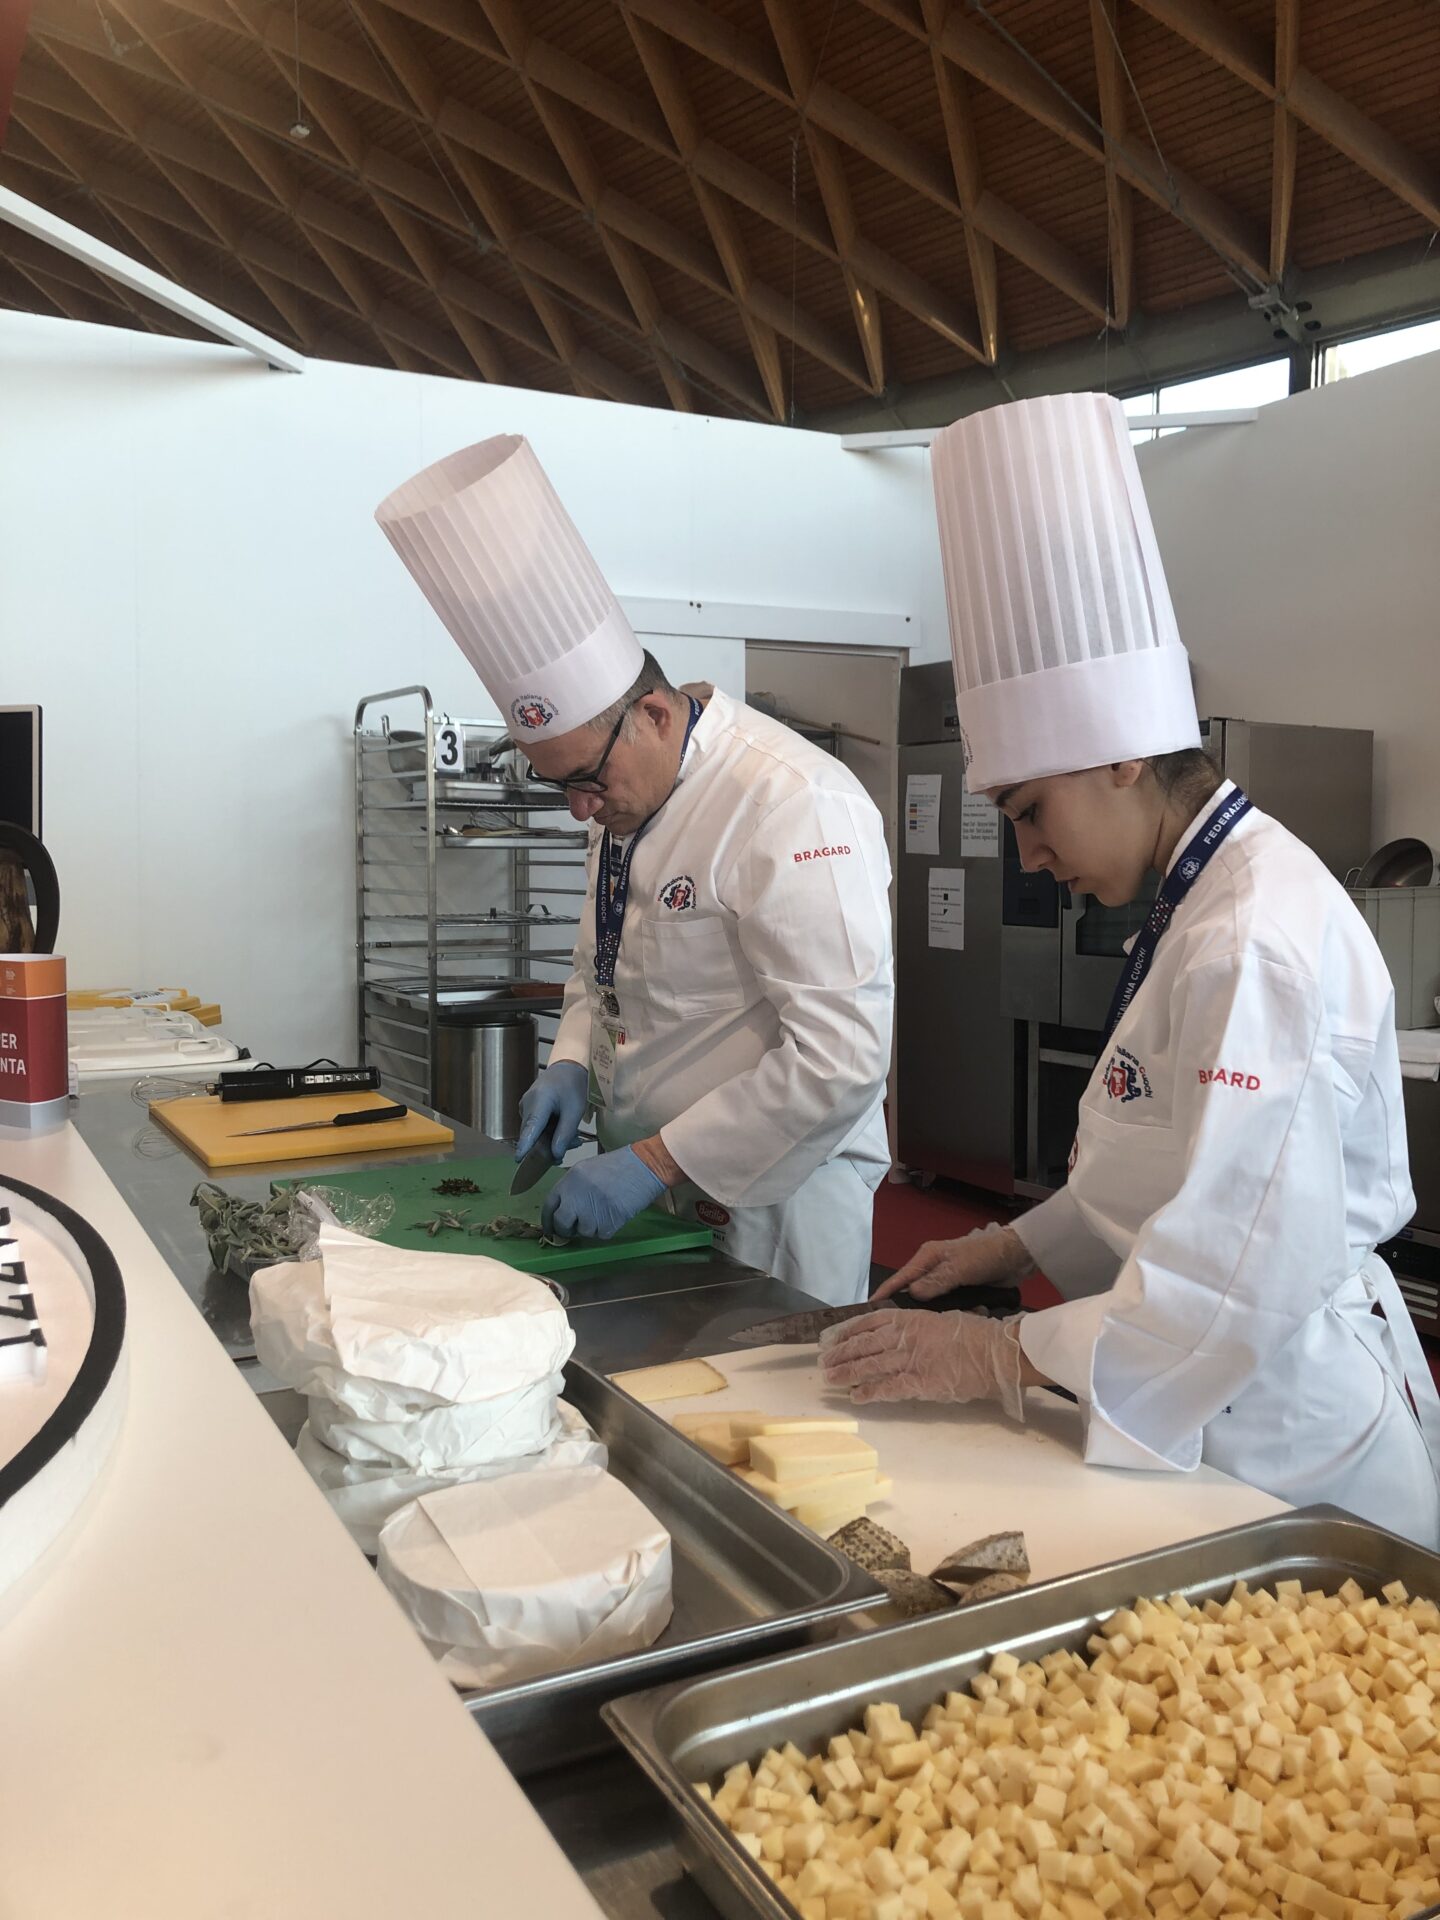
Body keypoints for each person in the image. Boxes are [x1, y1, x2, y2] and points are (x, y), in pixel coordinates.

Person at [821, 391, 1440, 1546]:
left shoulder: (1251, 939)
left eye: (1029, 811)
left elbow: (1233, 1272)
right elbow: (1170, 1162)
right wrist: (1016, 1245)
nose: (1028, 854)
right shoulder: (1196, 897)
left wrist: (996, 1352)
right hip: (1219, 1417)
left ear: (1118, 759)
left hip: (1292, 1454)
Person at [377, 433, 893, 1305]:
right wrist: (571, 1063)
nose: (581, 810)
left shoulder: (794, 803)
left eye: (587, 779)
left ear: (653, 714)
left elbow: (841, 1060)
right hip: (647, 1192)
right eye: (561, 788)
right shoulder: (627, 795)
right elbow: (601, 968)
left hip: (773, 1207)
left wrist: (653, 1162)